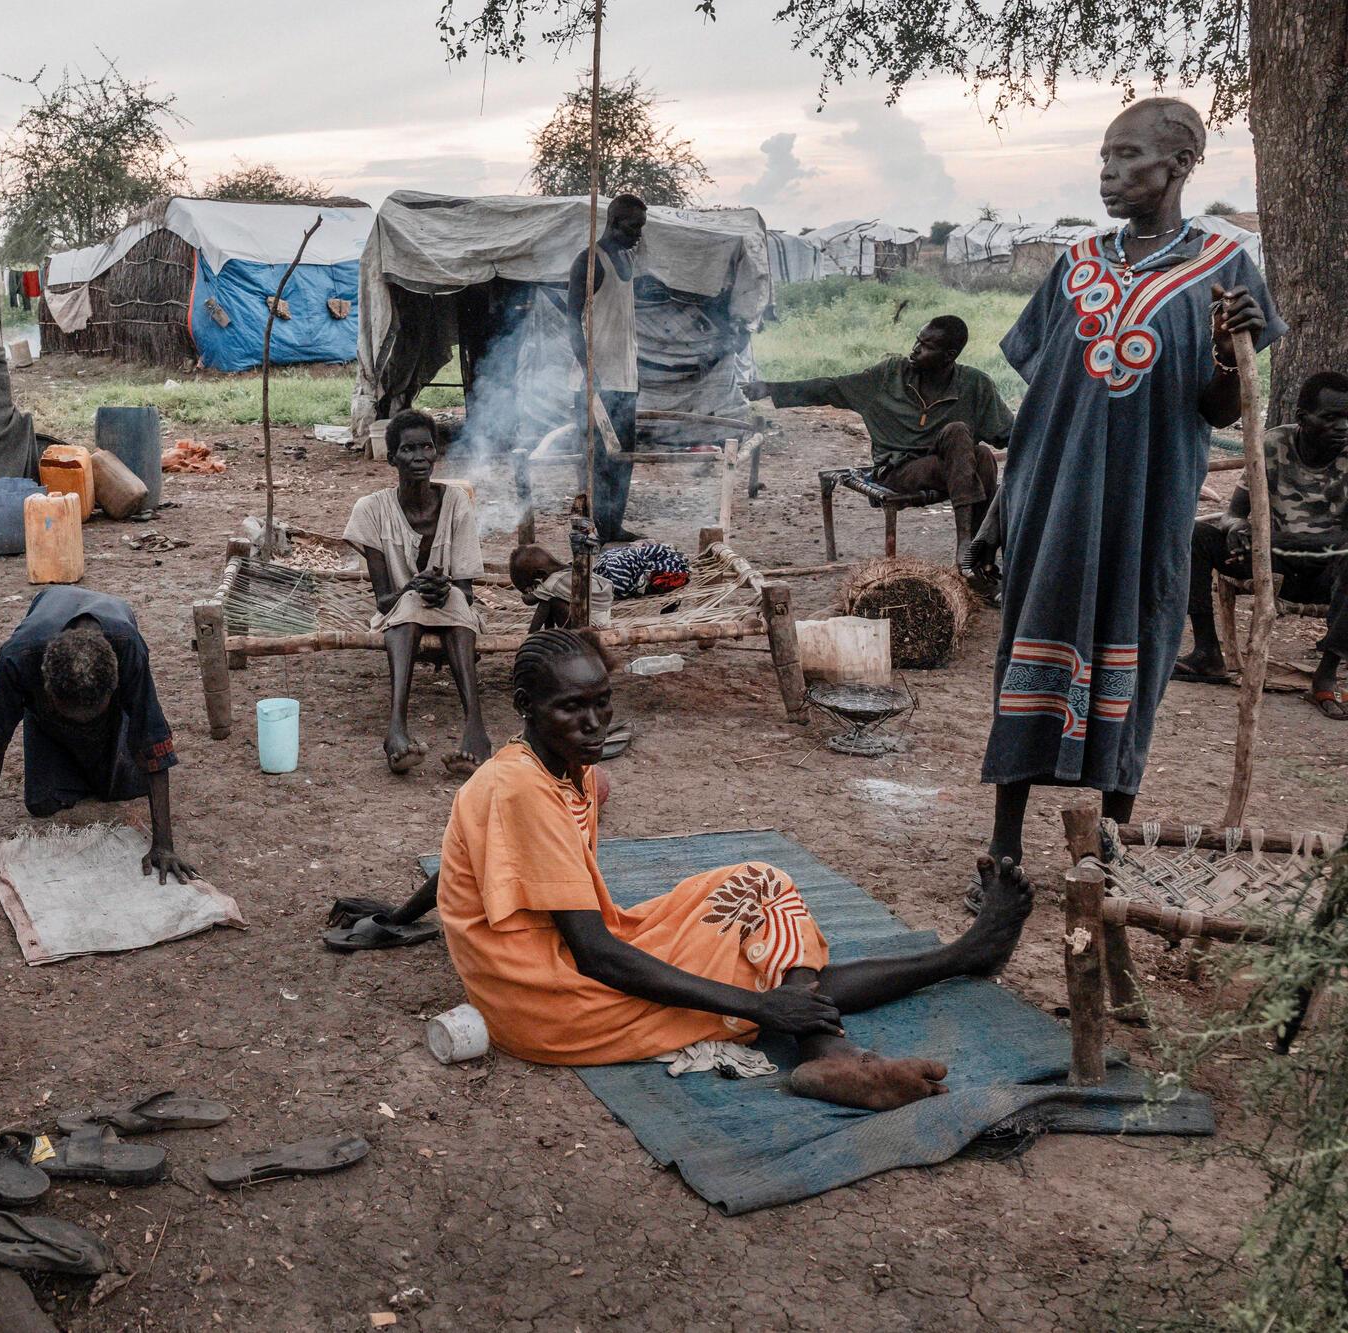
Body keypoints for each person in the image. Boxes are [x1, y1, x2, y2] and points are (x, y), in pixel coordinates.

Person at [328, 629, 1035, 1108]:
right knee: (754, 968)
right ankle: (915, 987)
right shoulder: (520, 788)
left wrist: (400, 912)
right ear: (525, 710)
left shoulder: (558, 770)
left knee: (760, 883)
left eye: (603, 702)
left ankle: (836, 1038)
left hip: (568, 960)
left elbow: (465, 857)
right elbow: (595, 953)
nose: (595, 722)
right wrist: (760, 1008)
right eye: (572, 707)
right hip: (549, 1001)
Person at [976, 96, 1280, 905]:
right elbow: (1040, 399)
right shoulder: (1076, 263)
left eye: (1128, 157)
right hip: (1052, 500)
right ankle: (1003, 855)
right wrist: (1000, 507)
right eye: (1105, 157)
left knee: (1135, 655)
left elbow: (1219, 408)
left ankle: (1105, 850)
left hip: (1148, 506)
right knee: (1028, 652)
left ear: (1179, 165)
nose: (1109, 172)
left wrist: (1228, 348)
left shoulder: (1223, 268)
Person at [0, 586, 196, 881]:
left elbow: (151, 737)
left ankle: (103, 743)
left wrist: (163, 845)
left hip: (112, 651)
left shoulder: (128, 648)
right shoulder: (17, 658)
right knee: (42, 804)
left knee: (127, 786)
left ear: (114, 689)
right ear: (46, 692)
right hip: (46, 701)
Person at [744, 316, 1013, 562]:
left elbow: (1008, 433)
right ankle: (967, 543)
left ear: (949, 356)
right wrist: (771, 388)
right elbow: (831, 387)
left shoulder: (975, 385)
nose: (915, 349)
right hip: (898, 471)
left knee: (982, 454)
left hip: (953, 468)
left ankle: (977, 554)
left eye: (926, 346)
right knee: (962, 438)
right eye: (917, 340)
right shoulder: (890, 375)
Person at [1175, 370, 1348, 719]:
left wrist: (1291, 539)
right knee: (1198, 537)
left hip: (1328, 574)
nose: (1343, 427)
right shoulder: (1272, 445)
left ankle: (1326, 674)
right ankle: (1207, 654)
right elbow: (1233, 513)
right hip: (1271, 561)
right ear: (1303, 419)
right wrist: (1239, 528)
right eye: (1332, 418)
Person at [345, 409, 493, 776]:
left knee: (456, 599)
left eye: (426, 447)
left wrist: (444, 587)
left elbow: (466, 592)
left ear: (437, 452)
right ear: (392, 456)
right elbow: (383, 600)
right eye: (408, 450)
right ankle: (396, 728)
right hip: (399, 613)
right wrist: (412, 586)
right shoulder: (371, 510)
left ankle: (475, 727)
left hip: (450, 611)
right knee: (410, 600)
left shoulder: (456, 501)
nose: (419, 458)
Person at [567, 194, 648, 544]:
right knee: (597, 461)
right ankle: (595, 529)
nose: (638, 234)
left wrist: (635, 372)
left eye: (642, 227)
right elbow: (571, 319)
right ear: (614, 222)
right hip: (597, 382)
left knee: (623, 459)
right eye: (634, 226)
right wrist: (588, 369)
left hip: (624, 380)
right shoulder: (589, 261)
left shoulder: (626, 261)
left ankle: (613, 526)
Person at [509, 542, 614, 630]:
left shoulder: (553, 582)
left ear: (540, 574)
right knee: (549, 598)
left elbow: (529, 600)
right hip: (601, 620)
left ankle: (531, 636)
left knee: (548, 601)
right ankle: (548, 632)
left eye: (533, 584)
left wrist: (525, 594)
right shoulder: (571, 569)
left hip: (589, 628)